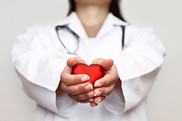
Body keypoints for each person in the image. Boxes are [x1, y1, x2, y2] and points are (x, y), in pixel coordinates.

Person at [11, 0, 166, 121]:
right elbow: (30, 64)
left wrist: (116, 76)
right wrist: (63, 80)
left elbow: (144, 60)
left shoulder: (144, 37)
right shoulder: (36, 36)